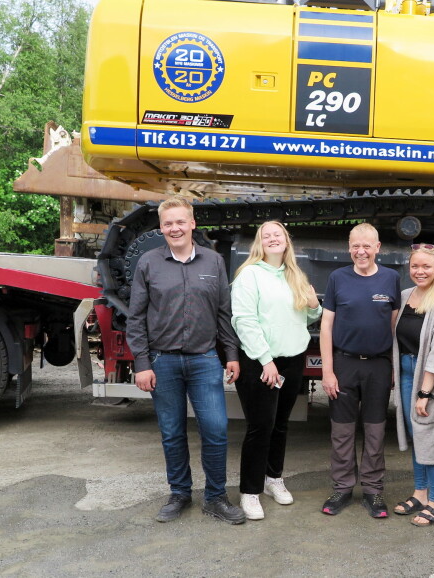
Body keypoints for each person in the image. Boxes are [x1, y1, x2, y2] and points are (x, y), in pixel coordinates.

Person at [126, 196, 245, 525]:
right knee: (172, 432)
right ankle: (179, 493)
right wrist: (141, 362)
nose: (174, 228)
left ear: (192, 224)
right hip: (162, 362)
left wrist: (230, 355)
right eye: (168, 223)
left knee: (216, 429)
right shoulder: (148, 263)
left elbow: (224, 313)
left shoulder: (213, 262)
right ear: (161, 228)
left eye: (180, 222)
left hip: (205, 360)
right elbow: (135, 318)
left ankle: (216, 497)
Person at [231, 221, 322, 520]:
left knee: (281, 424)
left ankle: (273, 479)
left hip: (292, 359)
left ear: (286, 241)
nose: (272, 239)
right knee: (260, 427)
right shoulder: (250, 275)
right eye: (266, 235)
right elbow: (244, 321)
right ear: (260, 242)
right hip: (260, 362)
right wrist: (265, 360)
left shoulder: (294, 274)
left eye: (277, 235)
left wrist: (314, 307)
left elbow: (307, 315)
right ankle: (250, 491)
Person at [319, 223, 400, 518]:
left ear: (378, 247)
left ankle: (373, 491)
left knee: (376, 430)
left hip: (378, 365)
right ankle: (341, 488)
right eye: (355, 245)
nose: (361, 251)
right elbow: (326, 325)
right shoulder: (337, 278)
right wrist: (328, 371)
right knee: (341, 431)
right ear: (348, 247)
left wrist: (391, 366)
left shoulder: (391, 278)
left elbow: (393, 327)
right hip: (344, 364)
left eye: (367, 245)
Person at [391, 244, 434, 527]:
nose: (420, 271)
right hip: (407, 372)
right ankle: (420, 493)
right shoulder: (406, 296)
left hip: (430, 379)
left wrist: (425, 392)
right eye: (415, 266)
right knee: (415, 431)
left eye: (426, 267)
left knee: (432, 435)